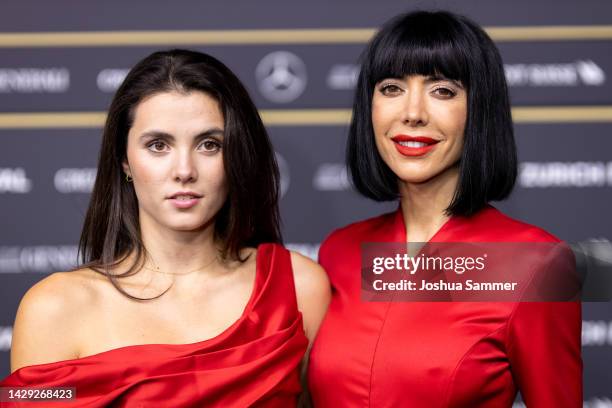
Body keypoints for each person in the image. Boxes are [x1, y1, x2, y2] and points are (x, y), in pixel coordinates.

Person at [1, 49, 330, 407]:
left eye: (209, 144)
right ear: (124, 161)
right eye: (158, 145)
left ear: (237, 155)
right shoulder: (53, 308)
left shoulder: (299, 288)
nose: (184, 170)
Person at [307, 10, 582, 407]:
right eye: (391, 88)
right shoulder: (340, 251)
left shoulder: (535, 263)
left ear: (479, 111)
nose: (413, 112)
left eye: (443, 91)